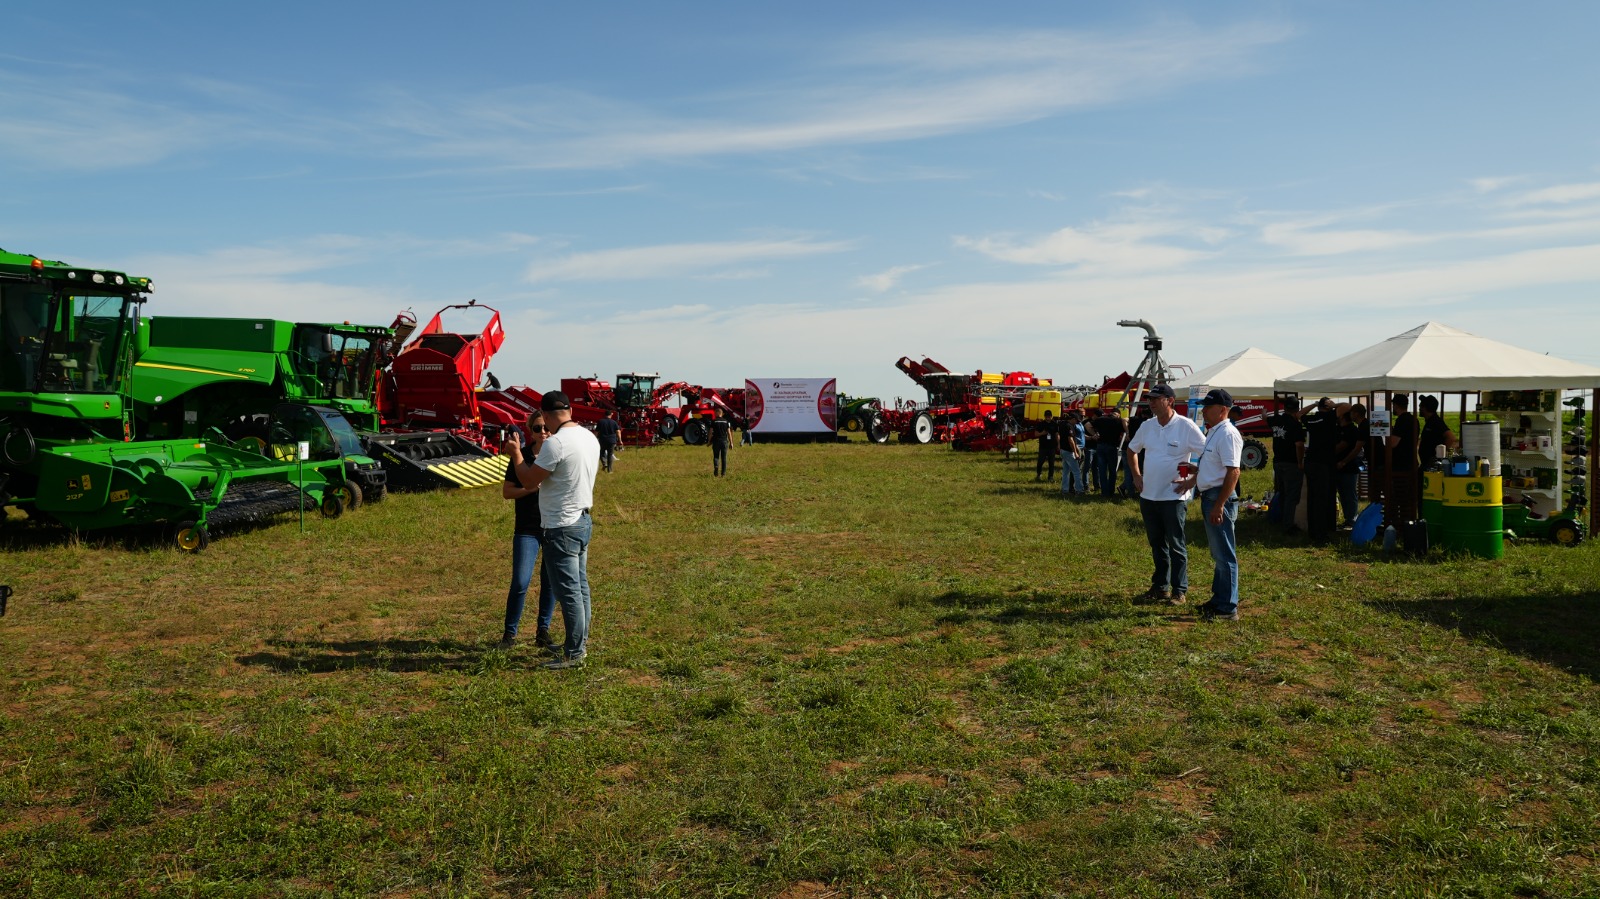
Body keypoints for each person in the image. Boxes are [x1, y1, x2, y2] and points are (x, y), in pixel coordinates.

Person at [507, 390, 601, 670]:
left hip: (561, 527)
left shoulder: (556, 444)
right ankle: (578, 643)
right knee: (581, 588)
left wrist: (515, 455)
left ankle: (574, 653)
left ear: (546, 416)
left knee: (569, 591)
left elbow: (527, 479)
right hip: (583, 520)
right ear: (570, 410)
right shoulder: (589, 437)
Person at [1125, 383, 1207, 605]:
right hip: (1149, 496)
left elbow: (1209, 454)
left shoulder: (1186, 426)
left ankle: (1180, 590)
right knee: (1157, 544)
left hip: (1173, 497)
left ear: (1170, 401)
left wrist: (1192, 480)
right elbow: (1132, 450)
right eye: (1149, 398)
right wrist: (1136, 476)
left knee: (1176, 545)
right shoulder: (1147, 426)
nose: (1150, 402)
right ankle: (1161, 587)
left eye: (1155, 398)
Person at [1175, 388, 1243, 621]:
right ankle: (1219, 600)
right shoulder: (1215, 431)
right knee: (1219, 553)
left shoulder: (1227, 434)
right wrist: (1196, 473)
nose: (1203, 410)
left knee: (1225, 555)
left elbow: (1234, 472)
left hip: (1218, 498)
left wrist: (1219, 505)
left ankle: (1227, 608)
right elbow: (1218, 467)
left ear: (1223, 410)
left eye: (1208, 407)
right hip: (1212, 496)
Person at [499, 413, 556, 650]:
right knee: (520, 582)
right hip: (527, 529)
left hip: (553, 527)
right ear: (529, 431)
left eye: (546, 428)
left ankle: (543, 631)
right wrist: (530, 489)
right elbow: (507, 492)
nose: (542, 432)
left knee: (550, 582)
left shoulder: (557, 455)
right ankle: (509, 635)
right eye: (537, 428)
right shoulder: (521, 457)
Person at [1302, 396, 1340, 543]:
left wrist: (1314, 404)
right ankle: (1321, 534)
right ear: (1328, 407)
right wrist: (1334, 405)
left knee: (1312, 498)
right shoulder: (1330, 416)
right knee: (1322, 499)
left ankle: (1313, 531)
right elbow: (1347, 407)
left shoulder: (1312, 419)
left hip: (1310, 461)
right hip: (1323, 463)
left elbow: (1299, 414)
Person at [1267, 398, 1306, 534]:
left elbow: (1265, 418)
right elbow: (1299, 445)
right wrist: (1300, 462)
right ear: (1297, 408)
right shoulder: (1295, 424)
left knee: (1283, 492)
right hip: (1291, 463)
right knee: (1292, 495)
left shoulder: (1276, 420)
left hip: (1278, 462)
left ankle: (1282, 519)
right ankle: (1288, 525)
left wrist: (1264, 413)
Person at [1385, 394, 1420, 522]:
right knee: (1408, 498)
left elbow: (1394, 443)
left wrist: (1387, 438)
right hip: (1411, 462)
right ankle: (1408, 523)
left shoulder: (1402, 420)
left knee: (1400, 497)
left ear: (1396, 405)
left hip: (1401, 465)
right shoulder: (1413, 419)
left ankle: (1400, 524)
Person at [1334, 403, 1367, 527]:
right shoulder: (1338, 428)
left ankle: (1351, 519)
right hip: (1339, 466)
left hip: (1349, 467)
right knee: (1343, 494)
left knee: (1349, 493)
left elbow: (1344, 446)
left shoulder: (1352, 430)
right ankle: (1348, 518)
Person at [1417, 394, 1456, 485]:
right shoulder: (1430, 421)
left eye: (1421, 406)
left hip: (1431, 466)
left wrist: (1439, 456)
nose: (1419, 408)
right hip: (1427, 464)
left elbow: (1451, 437)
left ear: (1426, 408)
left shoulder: (1436, 421)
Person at [1094, 410, 1126, 498]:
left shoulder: (1100, 419)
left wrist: (1095, 434)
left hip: (1100, 446)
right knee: (1112, 470)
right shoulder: (1118, 421)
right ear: (1118, 414)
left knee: (1102, 471)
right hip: (1112, 447)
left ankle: (1104, 492)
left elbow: (1092, 426)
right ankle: (1111, 491)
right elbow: (1124, 429)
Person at [1060, 411, 1087, 496]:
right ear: (1073, 419)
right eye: (1076, 421)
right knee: (1077, 472)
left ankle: (1065, 489)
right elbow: (1070, 440)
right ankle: (1079, 490)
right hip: (1069, 451)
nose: (1077, 422)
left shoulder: (1062, 424)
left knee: (1065, 471)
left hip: (1063, 450)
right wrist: (1075, 452)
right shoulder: (1069, 426)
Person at [1035, 409, 1059, 482]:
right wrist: (1042, 433)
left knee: (1051, 463)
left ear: (1051, 416)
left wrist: (1058, 444)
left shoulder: (1055, 424)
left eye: (1049, 416)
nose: (1048, 418)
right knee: (1040, 462)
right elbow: (1036, 434)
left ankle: (1050, 477)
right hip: (1043, 446)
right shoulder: (1041, 424)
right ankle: (1039, 474)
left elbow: (1057, 435)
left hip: (1052, 447)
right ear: (1044, 416)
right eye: (1046, 416)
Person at [710, 410, 733, 476]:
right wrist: (731, 443)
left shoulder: (714, 421)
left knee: (716, 456)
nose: (714, 414)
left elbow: (710, 432)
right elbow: (729, 433)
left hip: (716, 441)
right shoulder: (726, 421)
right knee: (724, 458)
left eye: (715, 413)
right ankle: (723, 473)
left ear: (718, 413)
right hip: (724, 441)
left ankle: (716, 466)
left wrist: (709, 441)